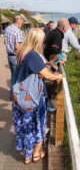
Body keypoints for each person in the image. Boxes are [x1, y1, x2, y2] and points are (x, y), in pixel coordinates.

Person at [12, 28, 62, 164]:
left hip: (19, 97)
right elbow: (46, 74)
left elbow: (32, 71)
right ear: (38, 41)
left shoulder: (22, 52)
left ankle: (27, 156)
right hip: (31, 98)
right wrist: (59, 76)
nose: (44, 44)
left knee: (25, 127)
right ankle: (35, 154)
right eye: (43, 41)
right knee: (38, 124)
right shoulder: (33, 55)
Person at [4, 15, 23, 99]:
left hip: (9, 55)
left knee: (13, 76)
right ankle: (14, 96)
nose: (21, 25)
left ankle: (12, 94)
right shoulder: (18, 31)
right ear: (19, 22)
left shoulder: (7, 28)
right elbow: (17, 47)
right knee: (17, 77)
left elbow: (5, 42)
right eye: (21, 23)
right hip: (15, 56)